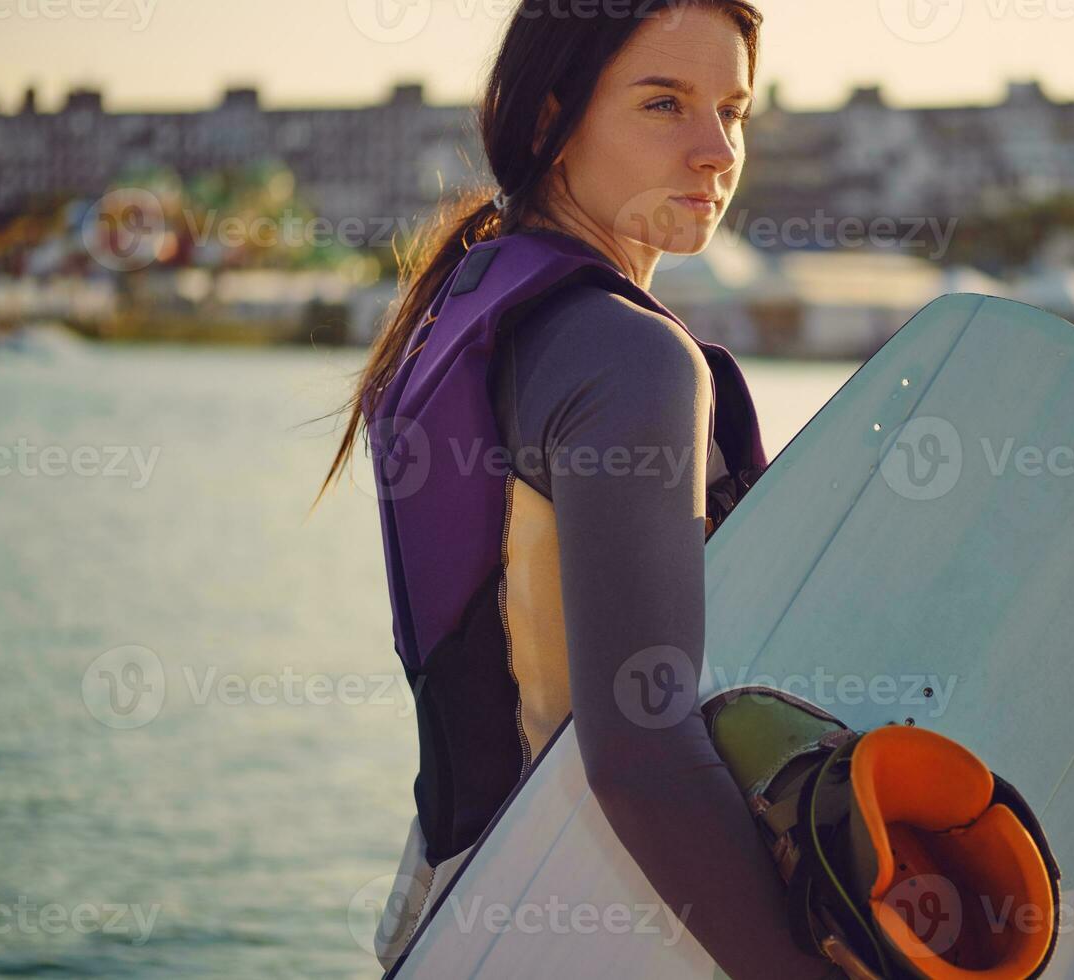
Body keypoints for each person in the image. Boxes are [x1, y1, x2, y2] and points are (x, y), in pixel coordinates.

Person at [317, 2, 847, 977]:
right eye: (664, 105)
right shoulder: (629, 358)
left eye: (733, 111)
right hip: (599, 914)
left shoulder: (471, 298)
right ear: (551, 118)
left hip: (455, 900)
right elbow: (643, 754)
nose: (714, 151)